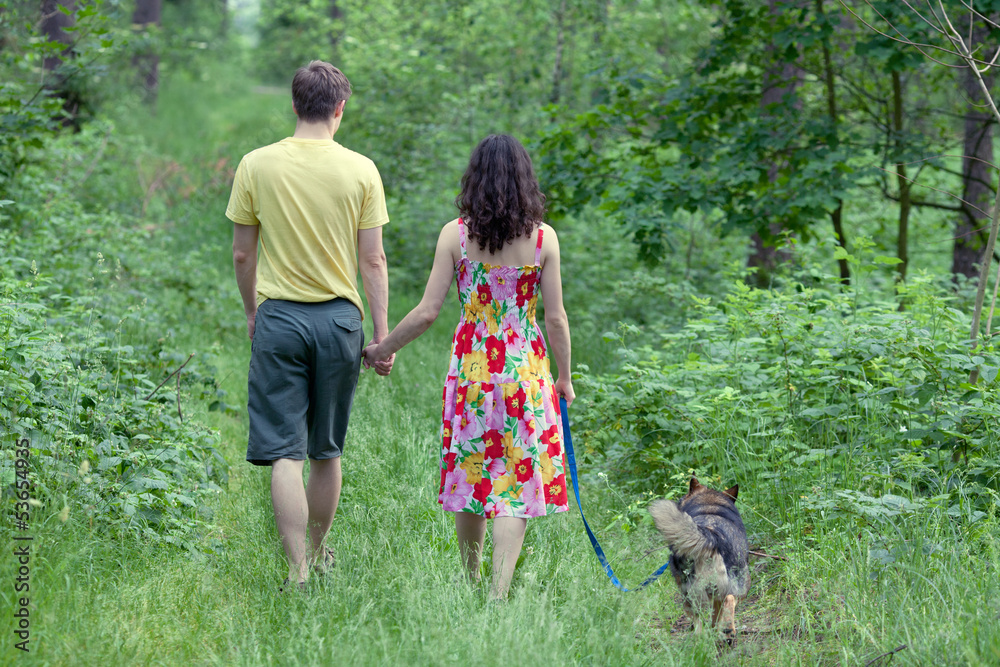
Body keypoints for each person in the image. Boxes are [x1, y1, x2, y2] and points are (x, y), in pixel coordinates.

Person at [366, 134, 573, 600]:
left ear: (474, 180)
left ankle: (470, 579)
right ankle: (498, 593)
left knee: (473, 470)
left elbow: (426, 312)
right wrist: (564, 376)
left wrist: (382, 348)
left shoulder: (455, 235)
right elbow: (555, 317)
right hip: (526, 372)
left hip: (474, 371)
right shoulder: (544, 238)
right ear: (525, 181)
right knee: (516, 480)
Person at [227, 61, 394, 591]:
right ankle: (321, 556)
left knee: (284, 450)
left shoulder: (256, 164)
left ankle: (297, 570)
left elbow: (241, 254)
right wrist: (382, 336)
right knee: (326, 449)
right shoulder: (362, 170)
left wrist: (254, 311)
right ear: (339, 108)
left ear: (295, 105)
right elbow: (373, 261)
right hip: (341, 322)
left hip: (280, 318)